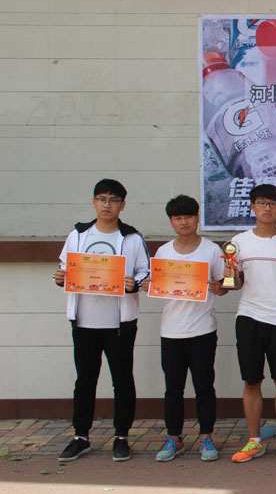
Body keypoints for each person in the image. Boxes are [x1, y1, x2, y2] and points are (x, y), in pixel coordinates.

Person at [53, 179, 150, 463]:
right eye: (102, 199)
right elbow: (64, 267)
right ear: (94, 202)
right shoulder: (78, 235)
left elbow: (146, 273)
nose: (107, 205)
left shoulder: (132, 238)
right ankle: (80, 436)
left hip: (119, 323)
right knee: (85, 380)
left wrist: (134, 284)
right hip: (84, 320)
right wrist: (60, 277)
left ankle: (121, 437)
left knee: (122, 380)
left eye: (113, 200)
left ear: (123, 205)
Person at [140, 195, 226, 462]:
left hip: (203, 329)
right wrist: (148, 285)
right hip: (171, 331)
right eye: (178, 218)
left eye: (188, 216)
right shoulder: (163, 252)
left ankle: (206, 437)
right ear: (171, 222)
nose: (184, 222)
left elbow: (224, 286)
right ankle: (174, 438)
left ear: (197, 218)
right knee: (173, 389)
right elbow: (157, 284)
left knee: (204, 386)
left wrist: (218, 288)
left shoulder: (212, 250)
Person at [226, 184, 276, 464]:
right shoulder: (239, 242)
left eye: (273, 203)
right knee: (252, 382)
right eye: (261, 203)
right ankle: (254, 441)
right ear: (252, 207)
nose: (267, 208)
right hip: (248, 318)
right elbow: (236, 284)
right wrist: (230, 274)